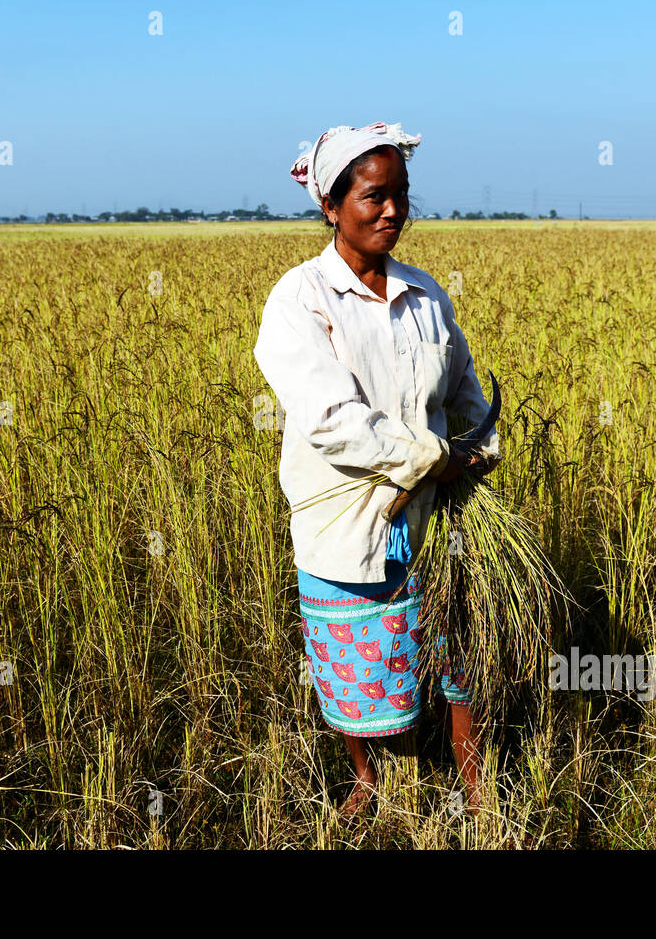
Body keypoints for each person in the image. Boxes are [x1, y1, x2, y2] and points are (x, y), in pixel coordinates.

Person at [254, 121, 501, 817]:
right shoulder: (299, 300)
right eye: (372, 196)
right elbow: (333, 421)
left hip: (437, 519)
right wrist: (432, 456)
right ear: (331, 205)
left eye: (401, 194)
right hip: (346, 522)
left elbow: (465, 391)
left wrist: (479, 447)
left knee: (459, 656)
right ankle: (367, 775)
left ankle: (474, 783)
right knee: (356, 662)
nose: (391, 210)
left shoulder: (427, 297)